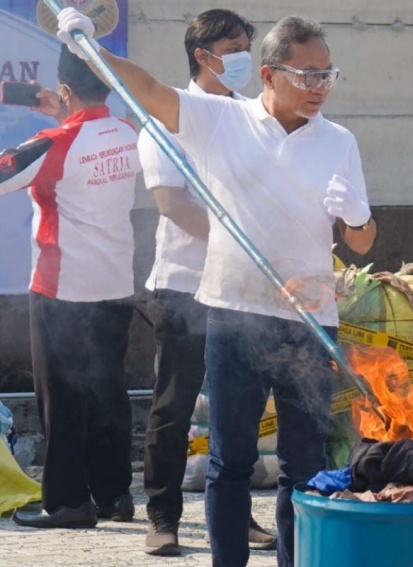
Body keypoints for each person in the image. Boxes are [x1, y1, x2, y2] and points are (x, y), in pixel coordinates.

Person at [55, 8, 376, 567]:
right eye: (305, 74)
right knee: (231, 462)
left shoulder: (340, 141)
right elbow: (150, 89)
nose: (318, 87)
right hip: (233, 314)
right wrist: (90, 48)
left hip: (309, 320)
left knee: (304, 466)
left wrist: (356, 218)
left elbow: (364, 242)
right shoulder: (221, 120)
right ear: (270, 75)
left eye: (326, 74)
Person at [138, 9, 275, 556]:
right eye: (236, 46)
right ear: (203, 55)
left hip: (244, 290)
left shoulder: (254, 116)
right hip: (184, 285)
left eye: (247, 44)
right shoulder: (168, 115)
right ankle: (163, 518)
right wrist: (235, 242)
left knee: (237, 412)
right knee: (173, 409)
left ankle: (235, 518)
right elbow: (172, 202)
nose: (245, 54)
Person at [2, 45, 139, 529]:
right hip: (116, 285)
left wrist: (55, 118)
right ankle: (115, 496)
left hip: (64, 292)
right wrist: (64, 110)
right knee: (107, 392)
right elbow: (87, 134)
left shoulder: (53, 143)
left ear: (64, 90)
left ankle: (66, 504)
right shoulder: (126, 132)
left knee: (61, 399)